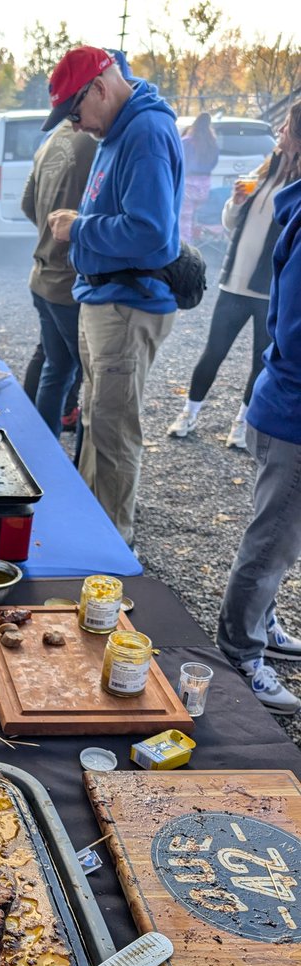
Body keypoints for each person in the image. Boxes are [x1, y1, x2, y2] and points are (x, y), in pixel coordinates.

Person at [45, 46, 183, 549]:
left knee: (114, 432)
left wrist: (80, 227)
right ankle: (92, 527)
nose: (76, 126)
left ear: (99, 87)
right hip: (105, 300)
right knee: (96, 419)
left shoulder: (144, 133)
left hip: (127, 305)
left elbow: (153, 236)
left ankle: (109, 546)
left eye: (75, 112)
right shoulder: (117, 128)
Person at [168, 101, 301, 448]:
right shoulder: (267, 166)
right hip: (234, 281)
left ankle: (241, 424)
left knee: (261, 360)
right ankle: (189, 412)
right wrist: (236, 203)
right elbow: (231, 223)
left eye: (286, 127)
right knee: (214, 350)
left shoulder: (298, 185)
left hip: (269, 290)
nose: (281, 132)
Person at [216, 169, 301, 714]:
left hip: (283, 409)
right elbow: (294, 334)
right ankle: (240, 654)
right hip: (293, 415)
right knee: (271, 543)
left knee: (280, 537)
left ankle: (261, 624)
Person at [21, 120, 96, 439]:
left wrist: (49, 230)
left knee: (56, 367)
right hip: (69, 282)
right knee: (89, 376)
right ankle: (59, 453)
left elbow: (27, 203)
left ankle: (39, 445)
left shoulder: (51, 140)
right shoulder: (94, 142)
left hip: (42, 275)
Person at [179, 111, 219, 242]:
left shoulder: (185, 142)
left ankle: (184, 252)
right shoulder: (212, 143)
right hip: (204, 188)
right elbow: (213, 163)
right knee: (192, 220)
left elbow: (178, 162)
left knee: (184, 223)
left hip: (188, 188)